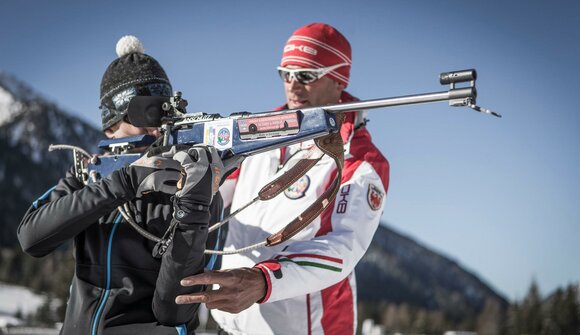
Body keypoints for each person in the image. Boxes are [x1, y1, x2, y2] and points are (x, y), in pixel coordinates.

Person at [176, 23, 390, 334]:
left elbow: (342, 248)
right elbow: (214, 195)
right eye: (285, 74)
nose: (293, 86)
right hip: (231, 323)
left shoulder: (360, 158)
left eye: (306, 75)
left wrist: (264, 280)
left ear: (337, 78)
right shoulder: (255, 136)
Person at [17, 36, 223, 335]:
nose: (157, 128)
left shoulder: (192, 187)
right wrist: (123, 183)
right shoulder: (88, 175)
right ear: (112, 124)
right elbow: (32, 238)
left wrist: (194, 206)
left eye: (166, 115)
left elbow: (174, 311)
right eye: (146, 114)